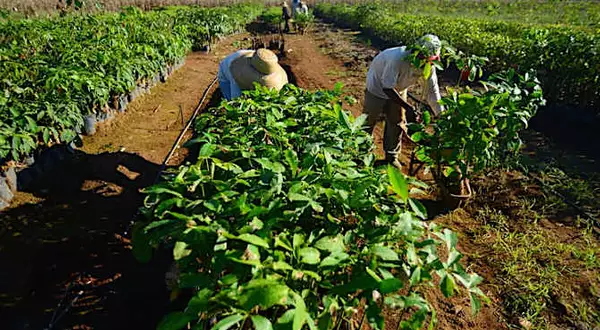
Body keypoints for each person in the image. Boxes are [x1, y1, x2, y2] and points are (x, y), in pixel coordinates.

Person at [363, 34, 444, 166]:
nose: (425, 62)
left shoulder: (430, 66)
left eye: (429, 60)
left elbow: (432, 93)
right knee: (369, 120)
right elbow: (387, 88)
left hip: (399, 88)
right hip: (378, 87)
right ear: (415, 52)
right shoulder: (398, 58)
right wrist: (408, 107)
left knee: (397, 122)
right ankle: (360, 153)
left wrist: (442, 115)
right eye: (422, 57)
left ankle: (391, 156)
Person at [217, 48, 289, 101]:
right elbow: (235, 101)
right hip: (225, 74)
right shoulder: (237, 73)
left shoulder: (263, 61)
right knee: (229, 100)